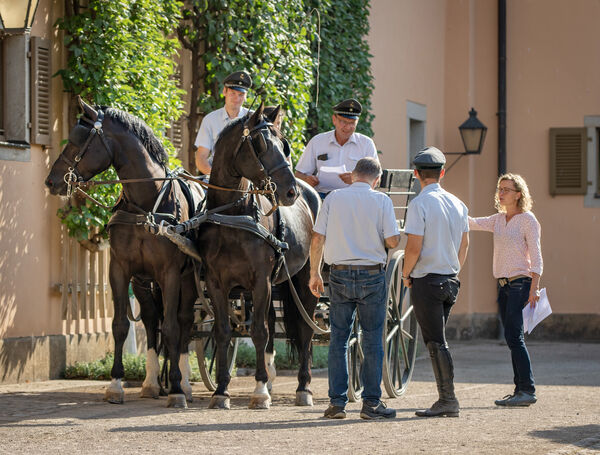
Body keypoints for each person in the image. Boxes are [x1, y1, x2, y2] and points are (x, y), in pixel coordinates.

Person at [309, 157, 400, 420]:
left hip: (338, 274)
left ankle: (337, 404)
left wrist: (314, 272)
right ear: (378, 179)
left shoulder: (334, 198)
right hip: (372, 275)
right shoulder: (382, 200)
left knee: (338, 338)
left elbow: (318, 237)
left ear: (352, 175)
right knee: (372, 339)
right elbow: (392, 239)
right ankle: (371, 404)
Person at [402, 146, 469, 418]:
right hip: (450, 280)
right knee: (438, 341)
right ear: (442, 172)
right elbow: (465, 245)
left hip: (427, 281)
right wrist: (453, 270)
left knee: (435, 342)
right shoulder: (458, 203)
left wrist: (406, 274)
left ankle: (448, 399)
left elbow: (414, 247)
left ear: (417, 174)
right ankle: (447, 398)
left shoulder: (419, 204)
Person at [469, 173, 542, 407]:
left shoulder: (528, 220)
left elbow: (537, 257)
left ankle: (527, 390)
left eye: (506, 190)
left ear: (518, 194)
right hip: (502, 285)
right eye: (499, 189)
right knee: (512, 338)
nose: (501, 193)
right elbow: (472, 222)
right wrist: (451, 209)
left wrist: (534, 288)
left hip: (521, 284)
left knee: (514, 337)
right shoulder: (498, 220)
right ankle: (520, 389)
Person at [295, 98, 378, 198]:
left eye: (352, 123)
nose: (347, 127)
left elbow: (376, 178)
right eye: (343, 122)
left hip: (354, 198)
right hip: (322, 198)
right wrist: (307, 179)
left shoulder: (366, 144)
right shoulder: (317, 141)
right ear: (334, 119)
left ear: (357, 122)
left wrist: (356, 179)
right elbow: (298, 174)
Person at [194, 70, 252, 175]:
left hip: (247, 178)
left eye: (241, 94)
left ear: (246, 96)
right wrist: (217, 178)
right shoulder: (210, 120)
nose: (236, 98)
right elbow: (201, 158)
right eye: (233, 93)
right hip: (216, 176)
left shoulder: (253, 119)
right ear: (224, 91)